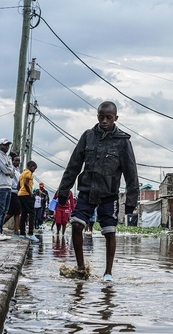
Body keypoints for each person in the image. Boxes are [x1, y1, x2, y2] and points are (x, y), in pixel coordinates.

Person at [56, 101, 139, 281]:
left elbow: (131, 174)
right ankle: (80, 268)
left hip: (109, 195)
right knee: (77, 225)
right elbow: (73, 165)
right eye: (101, 117)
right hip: (87, 191)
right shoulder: (88, 136)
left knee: (109, 231)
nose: (104, 121)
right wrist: (63, 191)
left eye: (108, 118)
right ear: (97, 117)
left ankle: (108, 272)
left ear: (116, 118)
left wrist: (131, 202)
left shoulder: (123, 142)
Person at [0, 138, 14, 241]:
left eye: (8, 145)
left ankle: (0, 231)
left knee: (4, 210)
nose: (7, 147)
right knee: (0, 209)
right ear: (0, 145)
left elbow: (12, 170)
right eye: (5, 145)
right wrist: (10, 170)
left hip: (8, 185)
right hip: (1, 185)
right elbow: (6, 170)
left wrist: (10, 170)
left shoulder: (7, 157)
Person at [17, 160, 39, 243]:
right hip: (26, 194)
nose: (34, 170)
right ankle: (30, 233)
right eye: (34, 168)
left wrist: (20, 191)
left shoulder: (22, 173)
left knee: (24, 213)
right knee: (32, 213)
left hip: (21, 194)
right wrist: (30, 193)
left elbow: (18, 185)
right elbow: (26, 183)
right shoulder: (28, 173)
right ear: (30, 166)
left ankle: (22, 232)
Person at [3, 155, 22, 237]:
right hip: (12, 191)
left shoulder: (18, 170)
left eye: (18, 161)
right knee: (12, 212)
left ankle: (16, 230)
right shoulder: (11, 169)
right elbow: (12, 180)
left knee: (16, 212)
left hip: (18, 192)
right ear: (12, 161)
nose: (17, 162)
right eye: (16, 160)